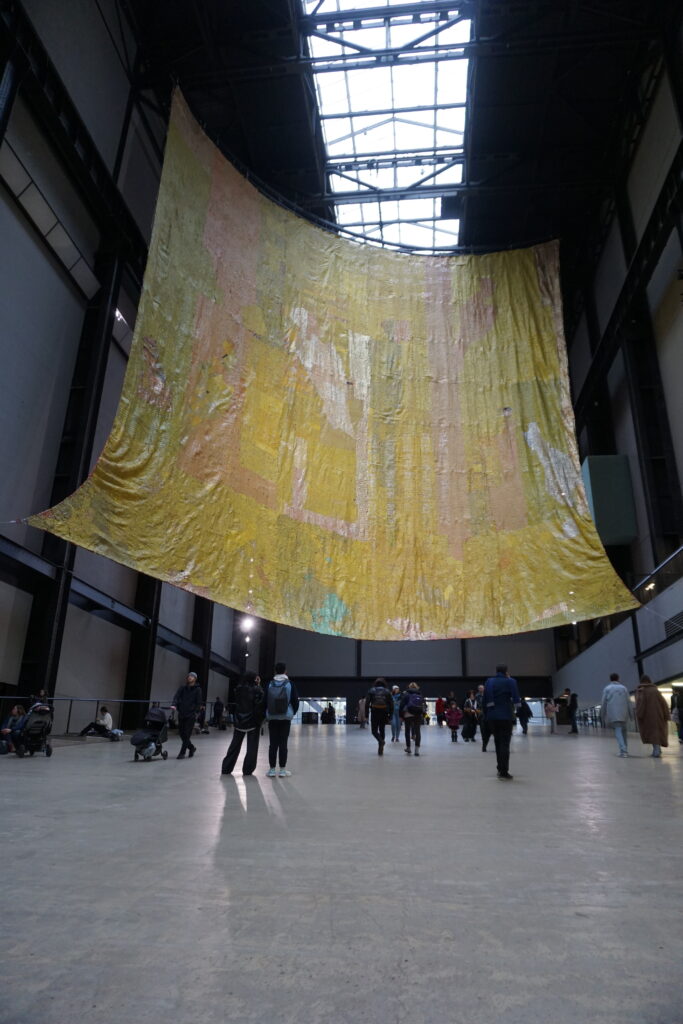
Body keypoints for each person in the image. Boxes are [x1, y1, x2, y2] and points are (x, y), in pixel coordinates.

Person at [221, 672, 265, 776]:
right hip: (253, 722)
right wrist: (259, 686)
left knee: (234, 746)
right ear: (254, 679)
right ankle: (247, 770)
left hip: (239, 721)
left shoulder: (238, 689)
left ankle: (226, 768)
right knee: (252, 748)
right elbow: (260, 704)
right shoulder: (257, 689)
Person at [483, 664, 521, 780]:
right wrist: (516, 711)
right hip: (505, 716)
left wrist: (487, 715)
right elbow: (516, 698)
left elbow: (485, 700)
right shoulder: (510, 681)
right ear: (506, 671)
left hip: (492, 717)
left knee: (497, 742)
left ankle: (499, 768)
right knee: (505, 744)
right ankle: (504, 771)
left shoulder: (489, 681)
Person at [264, 662, 299, 777]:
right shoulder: (290, 684)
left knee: (273, 744)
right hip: (285, 718)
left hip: (272, 717)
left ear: (275, 671)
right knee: (283, 744)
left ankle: (272, 770)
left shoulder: (269, 684)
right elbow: (295, 701)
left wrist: (266, 713)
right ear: (285, 671)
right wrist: (292, 713)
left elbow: (265, 701)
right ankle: (283, 770)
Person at [635, 675, 670, 758]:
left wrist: (639, 714)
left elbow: (640, 704)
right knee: (657, 732)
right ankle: (657, 749)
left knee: (651, 733)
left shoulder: (641, 690)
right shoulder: (655, 690)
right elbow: (663, 703)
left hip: (647, 716)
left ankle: (656, 750)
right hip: (658, 715)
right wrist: (666, 715)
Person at [600, 672, 633, 757]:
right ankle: (625, 749)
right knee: (624, 732)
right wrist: (631, 715)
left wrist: (602, 715)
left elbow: (603, 703)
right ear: (618, 678)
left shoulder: (607, 689)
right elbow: (629, 702)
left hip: (614, 714)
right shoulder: (624, 688)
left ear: (610, 679)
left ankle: (623, 750)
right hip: (624, 714)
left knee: (618, 731)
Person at [171, 671, 202, 759]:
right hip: (182, 713)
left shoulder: (198, 689)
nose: (190, 677)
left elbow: (198, 702)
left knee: (187, 733)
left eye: (192, 676)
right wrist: (174, 704)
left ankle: (182, 753)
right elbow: (176, 696)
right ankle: (191, 748)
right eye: (189, 676)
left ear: (195, 679)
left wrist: (196, 712)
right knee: (181, 733)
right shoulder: (183, 687)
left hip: (191, 715)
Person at [366, 677, 394, 755]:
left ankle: (381, 742)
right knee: (382, 730)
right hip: (384, 712)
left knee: (374, 731)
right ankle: (381, 747)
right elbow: (391, 704)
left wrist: (366, 714)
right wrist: (390, 715)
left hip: (375, 712)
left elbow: (367, 703)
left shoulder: (371, 690)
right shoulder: (387, 691)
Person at [400, 682, 425, 756]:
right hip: (417, 714)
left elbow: (402, 705)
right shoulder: (420, 694)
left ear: (409, 687)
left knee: (407, 731)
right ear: (417, 687)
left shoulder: (406, 694)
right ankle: (417, 750)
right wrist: (423, 714)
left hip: (408, 714)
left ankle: (408, 748)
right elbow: (423, 705)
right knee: (417, 732)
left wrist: (401, 716)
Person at [475, 683, 491, 751]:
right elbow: (476, 705)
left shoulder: (488, 695)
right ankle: (484, 745)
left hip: (488, 714)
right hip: (481, 714)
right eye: (480, 688)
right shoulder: (477, 696)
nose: (481, 689)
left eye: (482, 688)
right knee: (483, 730)